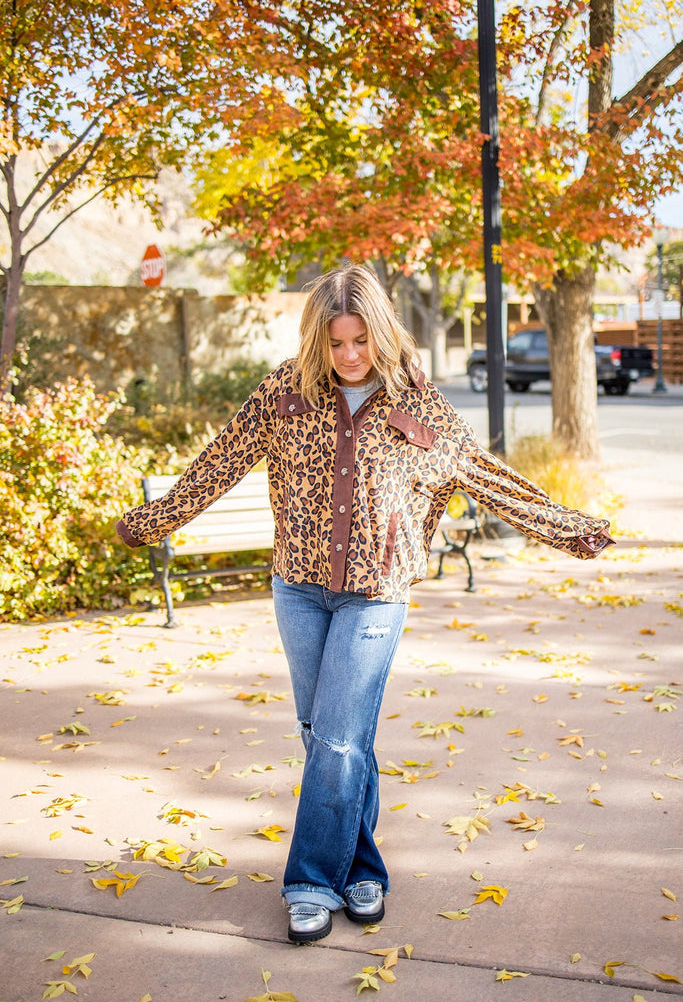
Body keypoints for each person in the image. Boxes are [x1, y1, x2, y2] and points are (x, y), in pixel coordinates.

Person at [116, 264, 614, 944]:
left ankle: (310, 882)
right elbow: (216, 462)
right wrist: (152, 521)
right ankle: (364, 871)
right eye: (335, 344)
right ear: (315, 341)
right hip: (298, 587)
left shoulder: (420, 405)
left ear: (380, 333)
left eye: (360, 341)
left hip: (375, 596)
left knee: (339, 737)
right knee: (328, 737)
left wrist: (568, 528)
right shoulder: (281, 397)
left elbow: (484, 476)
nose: (349, 356)